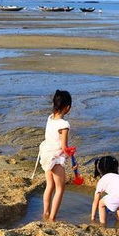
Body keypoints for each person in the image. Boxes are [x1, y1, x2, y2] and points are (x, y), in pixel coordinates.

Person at [39, 90, 73, 222]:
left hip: (46, 155)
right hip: (55, 159)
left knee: (49, 186)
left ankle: (45, 213)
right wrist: (70, 153)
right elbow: (64, 146)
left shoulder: (50, 118)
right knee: (60, 188)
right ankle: (52, 218)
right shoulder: (64, 125)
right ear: (68, 107)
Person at [91, 156, 119, 226]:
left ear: (100, 170)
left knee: (101, 203)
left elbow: (95, 201)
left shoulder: (102, 180)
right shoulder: (118, 176)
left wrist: (93, 217)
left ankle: (102, 224)